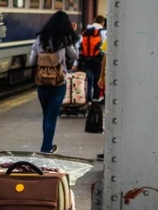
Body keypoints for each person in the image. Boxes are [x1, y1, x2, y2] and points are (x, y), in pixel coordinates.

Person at [29, 11, 79, 153]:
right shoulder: (64, 40)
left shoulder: (39, 39)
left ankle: (47, 145)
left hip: (42, 84)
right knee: (52, 117)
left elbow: (31, 61)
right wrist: (72, 37)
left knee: (47, 116)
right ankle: (46, 149)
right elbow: (75, 55)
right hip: (58, 83)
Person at [78, 15, 107, 105]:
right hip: (97, 59)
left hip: (85, 59)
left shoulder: (86, 31)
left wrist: (76, 62)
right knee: (97, 79)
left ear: (94, 21)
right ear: (103, 22)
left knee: (88, 79)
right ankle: (95, 100)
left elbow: (79, 46)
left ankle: (87, 100)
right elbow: (105, 48)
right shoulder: (103, 32)